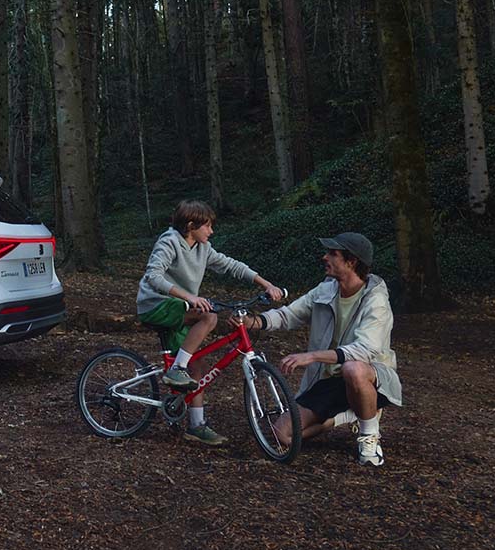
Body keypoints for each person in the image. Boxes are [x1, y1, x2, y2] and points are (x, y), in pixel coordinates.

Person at [243, 232, 401, 467]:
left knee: (353, 369)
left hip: (372, 376)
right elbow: (290, 315)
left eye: (332, 254)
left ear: (351, 261)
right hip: (328, 381)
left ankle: (368, 436)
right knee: (281, 435)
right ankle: (346, 416)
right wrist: (255, 322)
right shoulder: (326, 289)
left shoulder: (376, 300)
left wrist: (312, 356)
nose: (324, 257)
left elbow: (364, 350)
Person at [136, 200, 284, 446]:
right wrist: (190, 297)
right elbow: (153, 276)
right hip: (156, 305)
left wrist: (266, 284)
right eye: (207, 226)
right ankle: (176, 370)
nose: (211, 231)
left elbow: (230, 265)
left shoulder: (203, 248)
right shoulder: (169, 241)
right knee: (209, 315)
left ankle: (196, 426)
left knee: (199, 366)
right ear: (191, 225)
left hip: (179, 307)